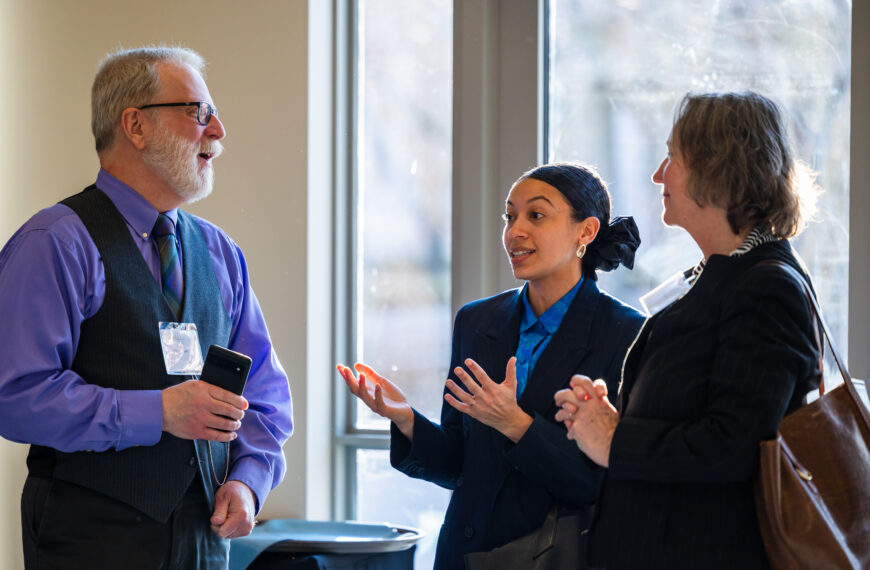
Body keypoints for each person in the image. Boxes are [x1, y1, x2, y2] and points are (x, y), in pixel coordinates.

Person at [0, 46, 294, 568]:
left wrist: (250, 481)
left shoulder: (221, 254)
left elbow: (265, 395)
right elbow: (15, 395)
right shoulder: (55, 243)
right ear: (135, 125)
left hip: (204, 540)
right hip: (89, 540)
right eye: (198, 113)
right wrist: (156, 413)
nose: (219, 131)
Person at [555, 91, 822, 569]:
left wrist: (616, 440)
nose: (659, 174)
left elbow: (731, 447)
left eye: (673, 157)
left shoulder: (766, 288)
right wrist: (605, 417)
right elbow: (694, 412)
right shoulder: (725, 274)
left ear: (719, 170)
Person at [338, 163, 644, 570]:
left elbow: (601, 484)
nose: (514, 231)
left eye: (536, 215)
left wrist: (516, 424)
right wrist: (407, 419)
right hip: (463, 556)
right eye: (510, 215)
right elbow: (459, 467)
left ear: (585, 232)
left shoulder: (626, 334)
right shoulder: (477, 321)